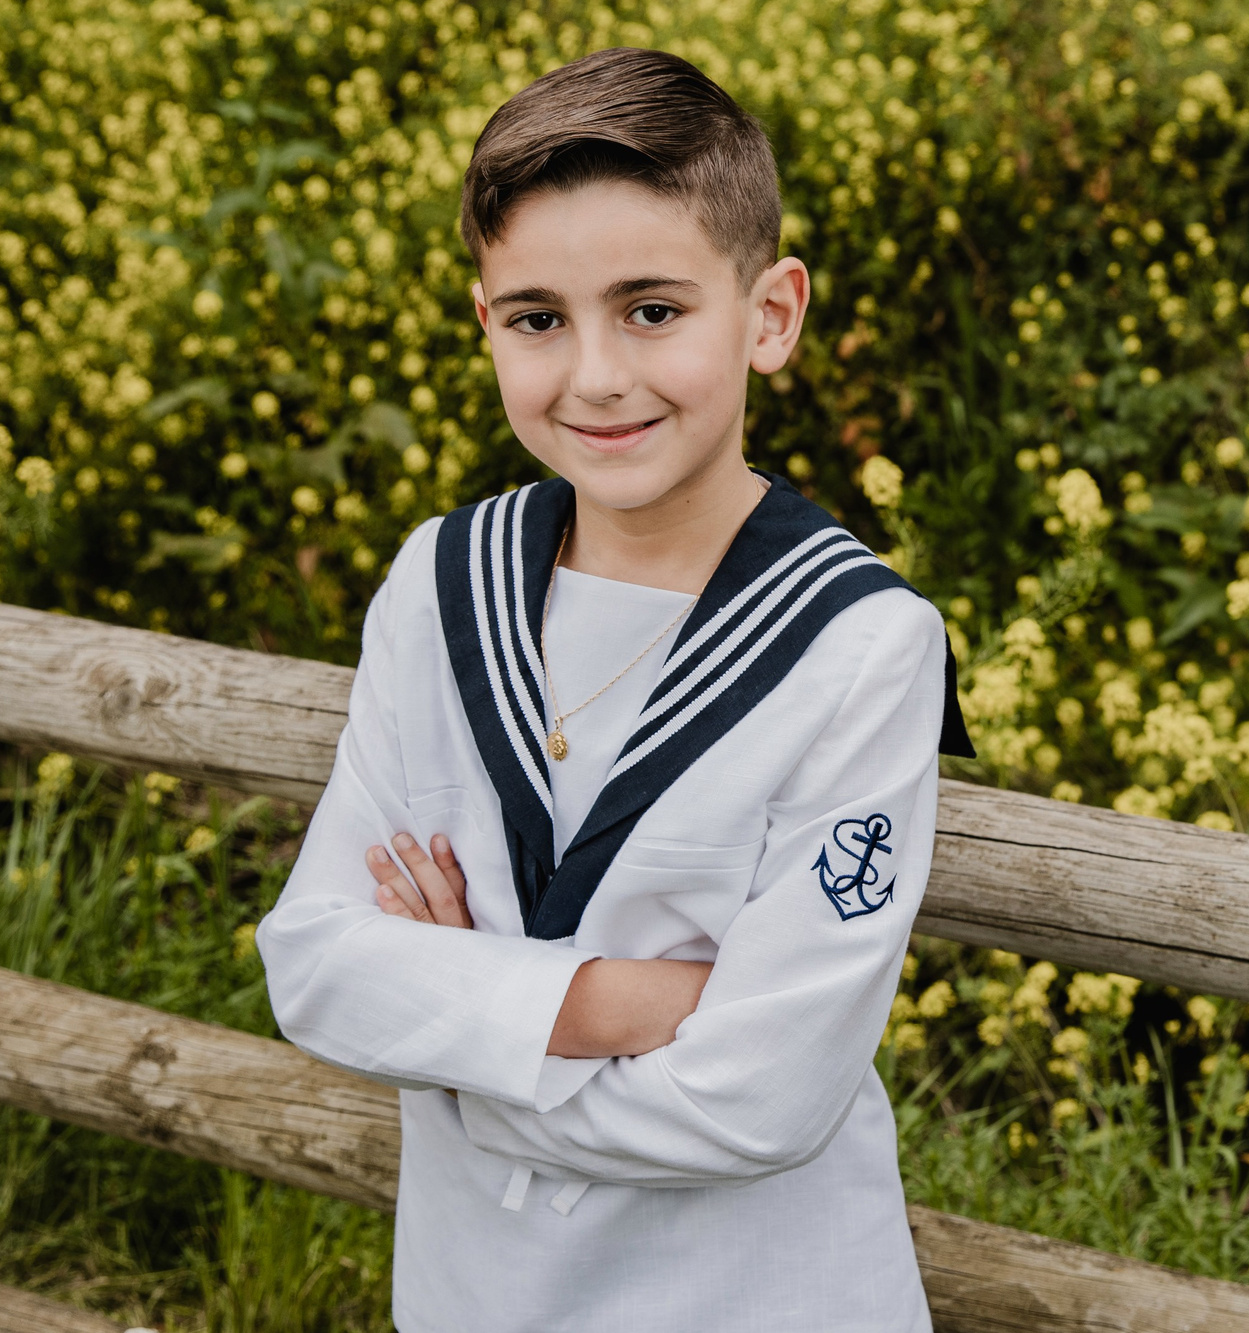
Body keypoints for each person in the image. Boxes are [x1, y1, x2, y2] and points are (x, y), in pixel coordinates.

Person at [256, 45, 972, 1333]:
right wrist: (619, 1004)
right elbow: (314, 965)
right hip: (474, 1296)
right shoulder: (439, 583)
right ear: (486, 322)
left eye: (653, 310)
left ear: (771, 315)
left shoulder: (861, 645)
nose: (593, 375)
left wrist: (454, 1012)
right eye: (539, 317)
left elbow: (761, 1099)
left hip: (760, 1300)